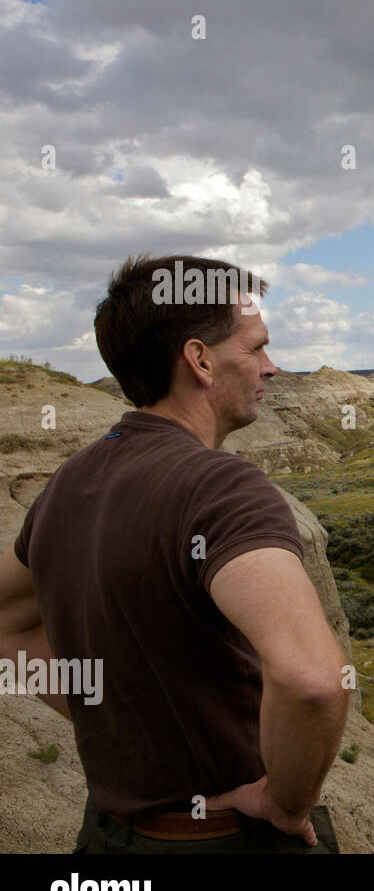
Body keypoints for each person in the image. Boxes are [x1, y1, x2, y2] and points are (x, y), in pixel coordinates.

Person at [0, 254, 350, 853]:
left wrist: (108, 716)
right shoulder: (223, 487)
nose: (272, 367)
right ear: (200, 360)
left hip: (109, 840)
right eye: (257, 348)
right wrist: (284, 804)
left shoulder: (68, 484)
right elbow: (313, 681)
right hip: (228, 837)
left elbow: (6, 630)